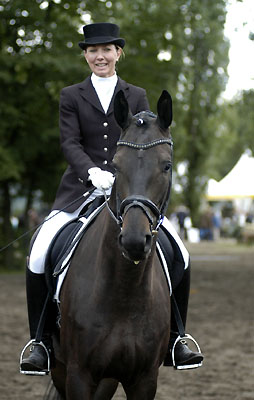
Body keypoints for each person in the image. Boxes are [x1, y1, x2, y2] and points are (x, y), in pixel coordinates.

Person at [20, 22, 203, 374]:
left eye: (106, 50)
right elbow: (70, 143)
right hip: (79, 190)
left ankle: (177, 338)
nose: (99, 56)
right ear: (86, 55)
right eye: (92, 50)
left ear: (118, 53)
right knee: (41, 249)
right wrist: (92, 172)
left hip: (131, 192)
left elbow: (147, 138)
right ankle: (40, 343)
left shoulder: (136, 95)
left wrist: (123, 179)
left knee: (178, 250)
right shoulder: (71, 95)